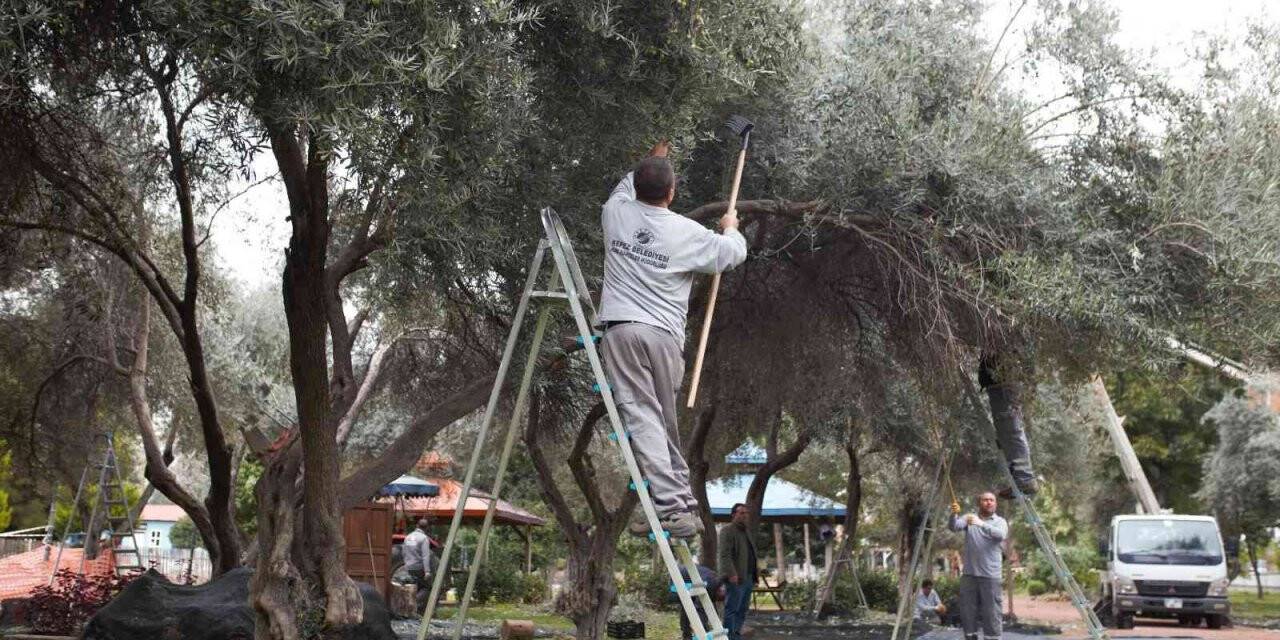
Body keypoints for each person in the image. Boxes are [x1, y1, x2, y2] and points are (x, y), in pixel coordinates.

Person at [599, 140, 748, 539]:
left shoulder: (615, 212)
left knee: (645, 419)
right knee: (662, 422)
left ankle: (676, 508)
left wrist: (654, 158)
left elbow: (626, 184)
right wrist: (731, 228)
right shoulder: (687, 233)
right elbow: (732, 254)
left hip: (623, 332)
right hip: (664, 338)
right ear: (672, 193)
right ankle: (679, 505)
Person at [950, 492, 1009, 640]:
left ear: (995, 504)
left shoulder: (1000, 521)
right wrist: (954, 514)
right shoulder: (969, 518)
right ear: (979, 503)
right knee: (968, 611)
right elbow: (954, 527)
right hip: (969, 575)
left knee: (992, 612)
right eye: (985, 500)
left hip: (990, 576)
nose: (989, 502)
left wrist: (980, 523)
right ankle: (970, 636)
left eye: (992, 500)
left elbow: (1000, 535)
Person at [979, 357, 1039, 497]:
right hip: (999, 383)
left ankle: (1024, 478)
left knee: (1011, 431)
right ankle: (1022, 478)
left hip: (1003, 383)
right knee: (1007, 434)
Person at [717, 503, 759, 640]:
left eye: (746, 513)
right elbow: (724, 554)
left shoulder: (746, 531)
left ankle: (736, 635)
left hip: (749, 577)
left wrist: (754, 576)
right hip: (736, 577)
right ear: (733, 515)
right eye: (741, 513)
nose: (744, 516)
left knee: (742, 609)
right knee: (732, 608)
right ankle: (729, 636)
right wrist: (731, 573)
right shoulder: (727, 530)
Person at [676, 564, 725, 640]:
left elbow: (712, 608)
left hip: (690, 577)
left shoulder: (716, 583)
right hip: (680, 576)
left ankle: (687, 634)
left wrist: (716, 626)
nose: (717, 600)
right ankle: (687, 635)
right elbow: (700, 609)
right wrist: (704, 633)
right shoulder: (710, 585)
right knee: (687, 606)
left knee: (690, 606)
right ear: (719, 591)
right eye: (718, 599)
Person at [403, 518, 433, 610]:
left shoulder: (407, 537)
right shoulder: (423, 538)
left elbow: (403, 552)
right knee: (426, 588)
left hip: (409, 567)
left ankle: (408, 605)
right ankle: (413, 603)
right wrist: (427, 571)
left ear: (417, 526)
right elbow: (425, 556)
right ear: (426, 528)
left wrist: (406, 564)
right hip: (418, 568)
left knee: (412, 587)